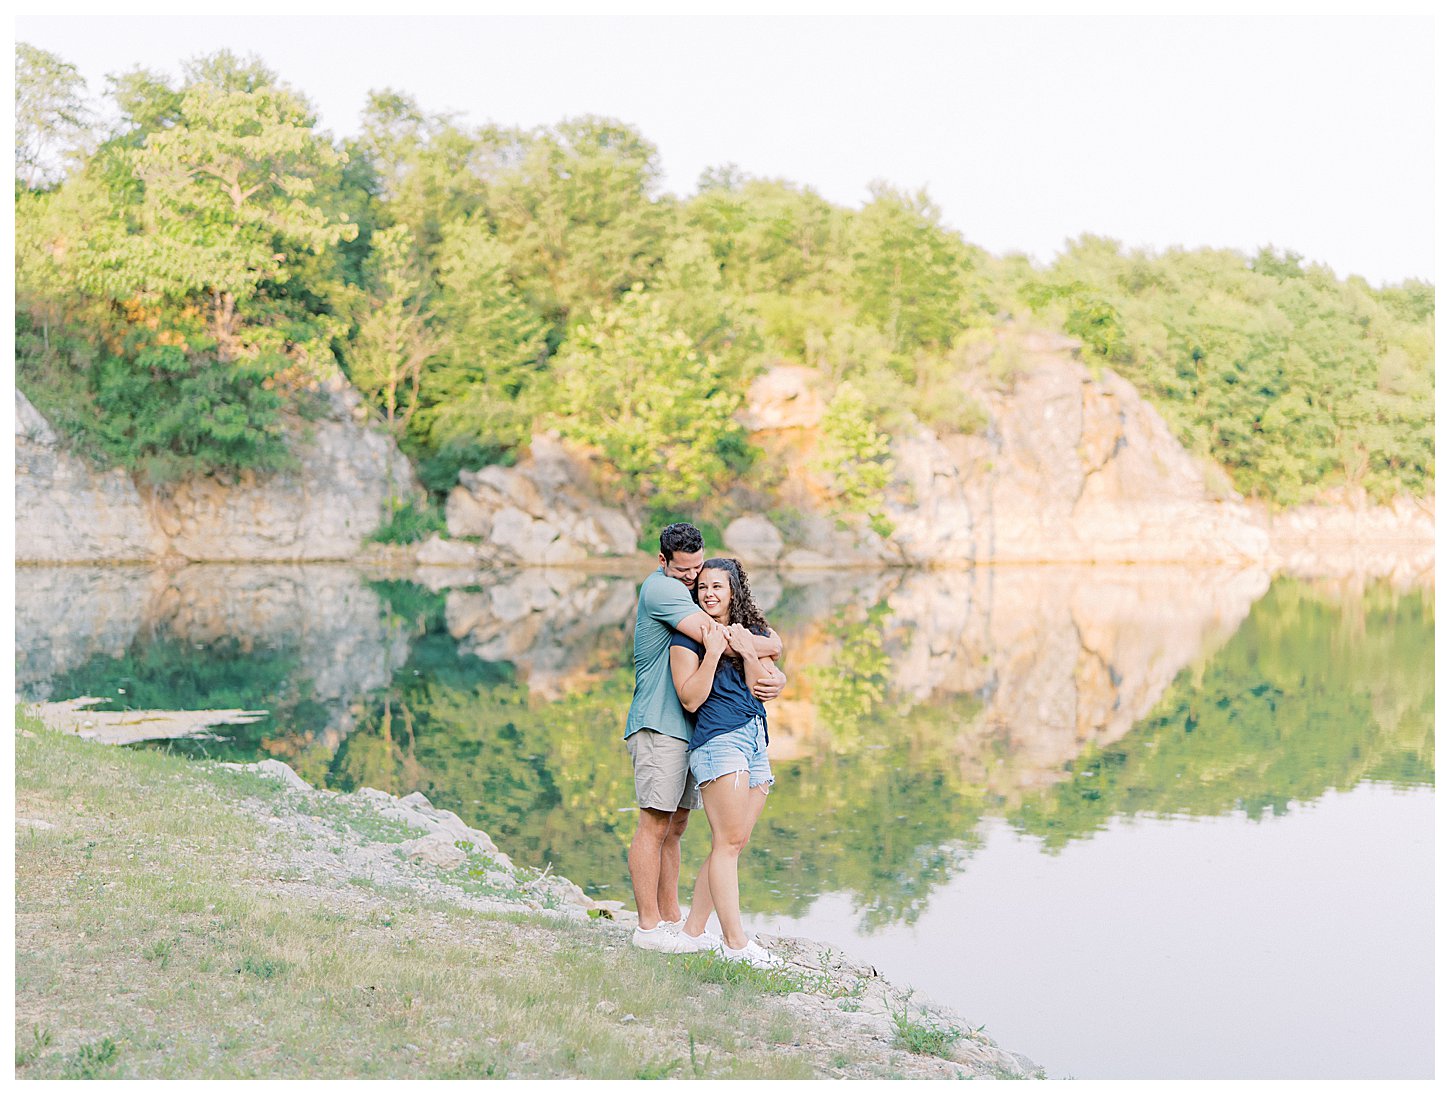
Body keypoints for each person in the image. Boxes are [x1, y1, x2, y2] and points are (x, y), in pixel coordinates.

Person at [624, 524, 784, 953]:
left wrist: (772, 661)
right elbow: (722, 641)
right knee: (654, 823)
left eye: (701, 569)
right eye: (687, 571)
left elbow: (738, 643)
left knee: (675, 828)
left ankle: (675, 922)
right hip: (661, 721)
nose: (695, 580)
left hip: (690, 729)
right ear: (662, 562)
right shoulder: (663, 591)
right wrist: (770, 647)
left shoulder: (688, 587)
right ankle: (648, 928)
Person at [671, 557, 784, 968]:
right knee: (727, 843)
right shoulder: (689, 637)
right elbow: (690, 698)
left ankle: (691, 933)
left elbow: (764, 686)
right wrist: (715, 653)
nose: (709, 594)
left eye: (717, 587)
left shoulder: (749, 632)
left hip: (755, 739)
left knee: (733, 843)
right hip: (719, 741)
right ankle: (736, 945)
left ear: (733, 591)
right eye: (702, 587)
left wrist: (746, 649)